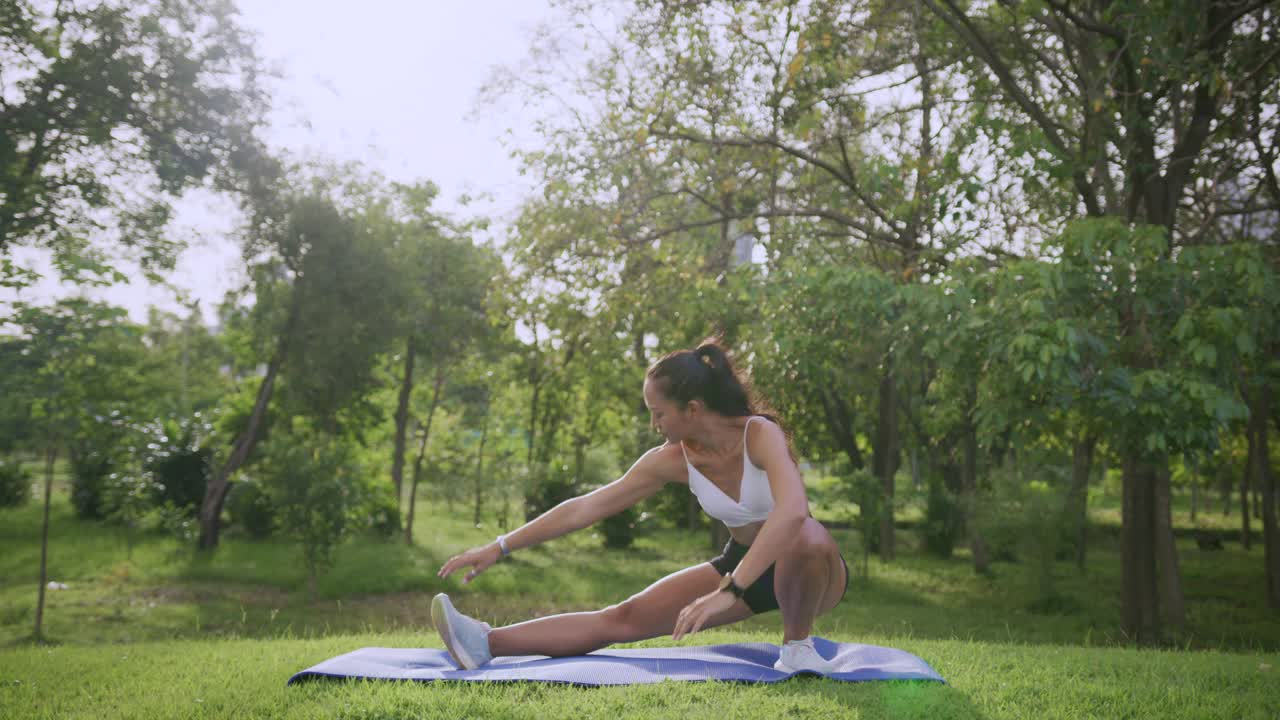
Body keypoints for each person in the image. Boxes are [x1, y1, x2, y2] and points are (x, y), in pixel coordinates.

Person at [432, 340, 850, 673]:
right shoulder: (670, 460)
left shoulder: (758, 434)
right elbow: (587, 507)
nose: (654, 425)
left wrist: (730, 590)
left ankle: (798, 647)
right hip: (741, 564)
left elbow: (793, 510)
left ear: (692, 409)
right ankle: (484, 643)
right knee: (624, 617)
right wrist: (500, 546)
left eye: (658, 413)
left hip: (808, 569)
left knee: (805, 535)